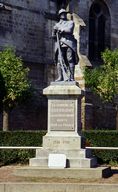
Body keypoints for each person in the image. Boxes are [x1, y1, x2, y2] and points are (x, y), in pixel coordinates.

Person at [52, 9, 79, 82]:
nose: (64, 14)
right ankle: (60, 77)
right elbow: (53, 36)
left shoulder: (70, 22)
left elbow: (69, 30)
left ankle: (72, 77)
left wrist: (60, 29)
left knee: (70, 59)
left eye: (64, 13)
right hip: (60, 44)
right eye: (62, 13)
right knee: (59, 60)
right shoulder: (56, 25)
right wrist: (54, 32)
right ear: (59, 15)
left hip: (69, 43)